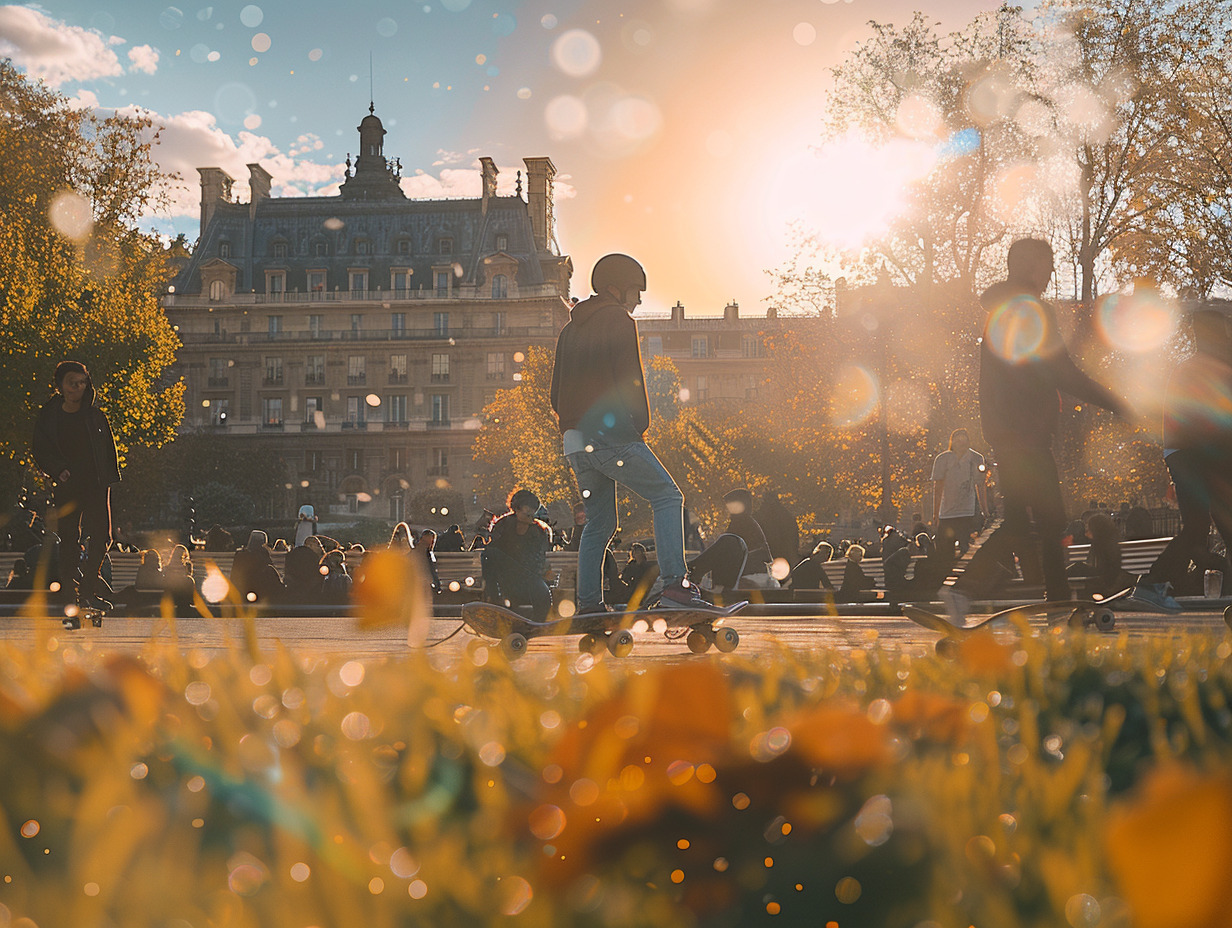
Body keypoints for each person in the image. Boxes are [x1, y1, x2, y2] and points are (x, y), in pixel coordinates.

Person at [943, 239, 1132, 619]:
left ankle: (1051, 606)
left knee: (1029, 520)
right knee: (1047, 520)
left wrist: (996, 429)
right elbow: (1062, 371)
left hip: (1008, 432)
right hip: (1026, 433)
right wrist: (1118, 403)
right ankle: (968, 592)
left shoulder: (998, 312)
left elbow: (993, 382)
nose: (1049, 274)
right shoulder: (1032, 310)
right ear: (1030, 267)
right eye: (1046, 265)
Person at [550, 254, 706, 613]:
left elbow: (555, 394)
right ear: (616, 289)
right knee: (667, 496)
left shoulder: (570, 330)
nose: (638, 300)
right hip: (612, 436)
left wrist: (574, 424)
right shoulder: (618, 320)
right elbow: (629, 380)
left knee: (600, 523)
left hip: (574, 442)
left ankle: (589, 603)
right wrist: (638, 426)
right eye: (636, 292)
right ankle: (676, 587)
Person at [1129, 310, 1232, 611]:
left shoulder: (1195, 366)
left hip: (1186, 451)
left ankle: (1154, 584)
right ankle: (1150, 583)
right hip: (1195, 451)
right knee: (1201, 527)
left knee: (1207, 526)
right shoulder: (1211, 365)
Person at [32, 360, 121, 610]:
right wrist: (58, 471)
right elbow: (40, 448)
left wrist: (108, 479)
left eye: (82, 383)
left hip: (95, 484)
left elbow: (107, 450)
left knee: (103, 536)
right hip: (68, 485)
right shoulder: (49, 416)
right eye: (73, 383)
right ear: (60, 385)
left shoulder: (95, 416)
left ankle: (88, 592)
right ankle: (71, 594)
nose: (78, 388)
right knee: (70, 539)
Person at [481, 488, 554, 621]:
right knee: (489, 553)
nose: (531, 517)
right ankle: (494, 599)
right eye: (527, 513)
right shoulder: (502, 526)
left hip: (529, 576)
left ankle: (539, 621)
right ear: (517, 509)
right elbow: (492, 555)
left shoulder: (538, 531)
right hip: (507, 576)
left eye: (533, 514)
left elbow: (538, 560)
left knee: (540, 590)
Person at [930, 428, 988, 561]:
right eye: (958, 441)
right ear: (952, 442)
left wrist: (985, 510)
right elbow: (938, 489)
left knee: (968, 549)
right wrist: (936, 514)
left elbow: (980, 485)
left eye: (963, 441)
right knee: (945, 551)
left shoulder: (976, 458)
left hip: (968, 512)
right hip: (947, 512)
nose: (961, 444)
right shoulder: (942, 459)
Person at [756, 488, 800, 564]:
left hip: (768, 558)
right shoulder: (787, 516)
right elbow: (794, 540)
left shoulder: (759, 516)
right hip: (784, 558)